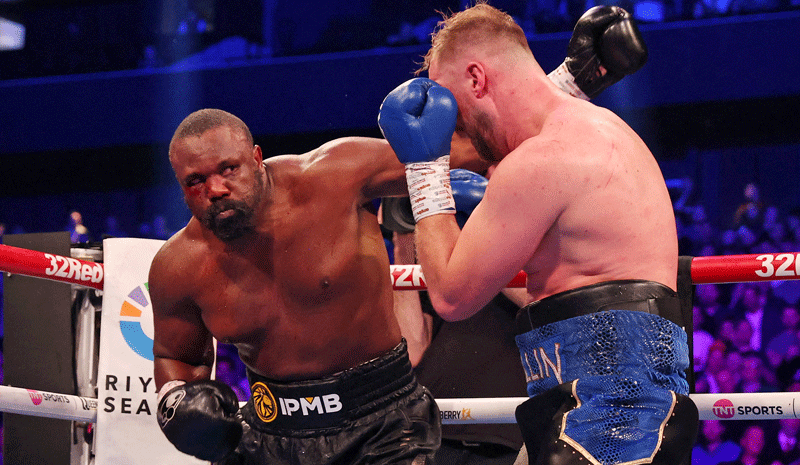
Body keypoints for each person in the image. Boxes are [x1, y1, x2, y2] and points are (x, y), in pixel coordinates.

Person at [377, 3, 698, 465]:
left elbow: (449, 294)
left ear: (476, 78)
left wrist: (425, 171)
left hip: (613, 412)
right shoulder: (588, 131)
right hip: (596, 400)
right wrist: (566, 81)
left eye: (452, 105)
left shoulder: (544, 160)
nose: (451, 125)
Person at [149, 109, 439, 465]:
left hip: (382, 426)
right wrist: (175, 400)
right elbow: (175, 356)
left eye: (228, 169)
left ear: (256, 159)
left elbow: (448, 157)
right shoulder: (177, 266)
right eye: (195, 181)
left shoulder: (333, 174)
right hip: (268, 435)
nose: (216, 190)